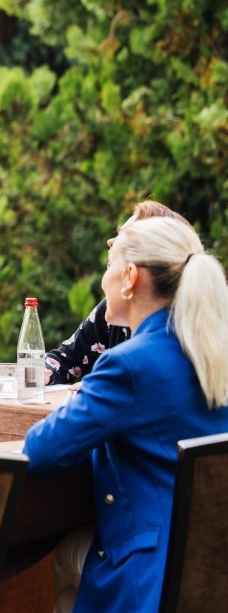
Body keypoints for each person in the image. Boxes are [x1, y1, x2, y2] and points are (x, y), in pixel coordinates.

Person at [24, 216, 228, 613]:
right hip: (210, 561)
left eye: (109, 264)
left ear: (130, 277)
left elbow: (40, 451)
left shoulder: (129, 366)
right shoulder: (212, 353)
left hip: (151, 574)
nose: (104, 278)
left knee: (37, 554)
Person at [46, 200, 189, 384]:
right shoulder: (113, 312)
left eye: (123, 234)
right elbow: (66, 359)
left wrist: (100, 388)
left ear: (132, 273)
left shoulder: (138, 356)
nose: (110, 241)